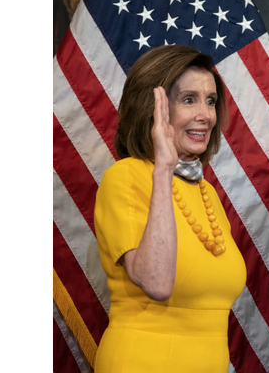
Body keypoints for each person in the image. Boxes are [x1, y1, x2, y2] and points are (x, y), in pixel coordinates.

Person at [93, 45, 247, 371]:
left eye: (210, 101)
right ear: (152, 109)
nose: (205, 114)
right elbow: (158, 283)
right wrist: (163, 167)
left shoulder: (207, 194)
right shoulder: (126, 177)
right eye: (188, 99)